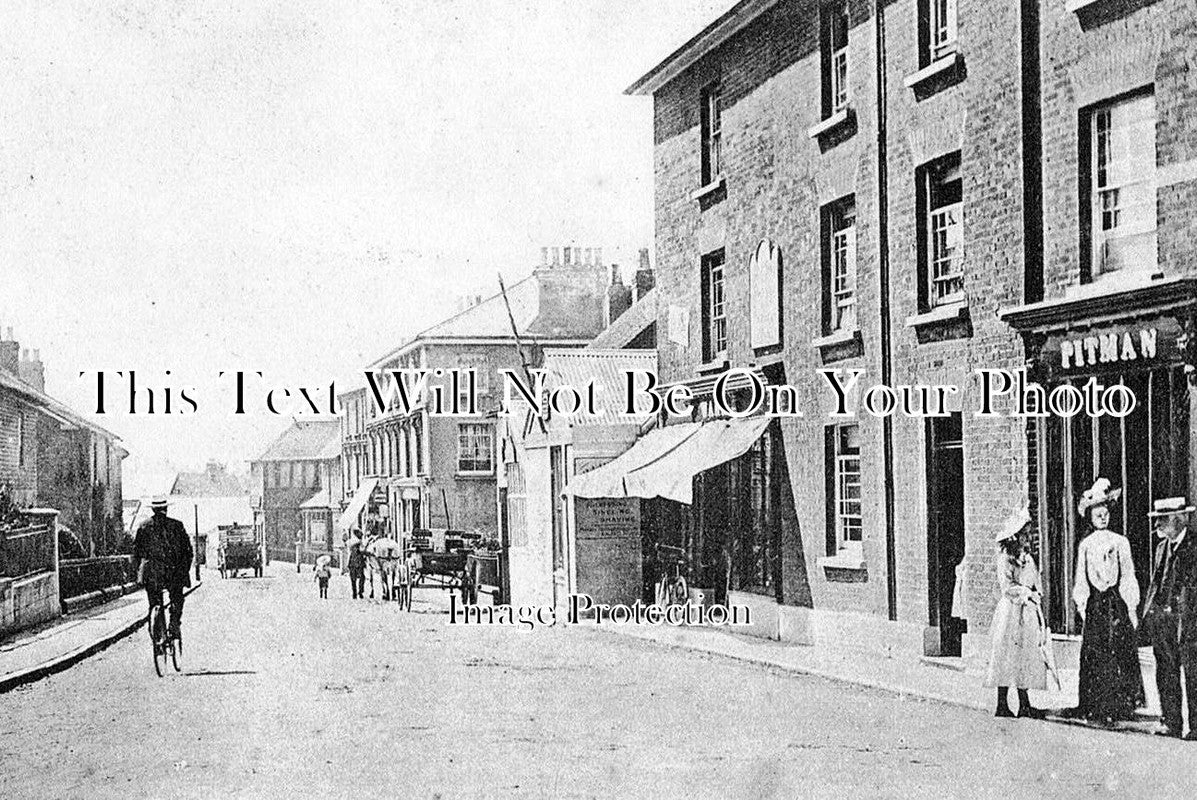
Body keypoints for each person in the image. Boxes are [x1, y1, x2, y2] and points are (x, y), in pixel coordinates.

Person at [1071, 478, 1143, 724]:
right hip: (1096, 604)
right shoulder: (1086, 545)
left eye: (1105, 512)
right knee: (1096, 652)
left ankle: (1120, 703)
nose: (1102, 516)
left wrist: (1131, 605)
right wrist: (1082, 604)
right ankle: (1095, 705)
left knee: (1118, 650)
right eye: (1097, 513)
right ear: (1090, 516)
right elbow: (1081, 577)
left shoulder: (1120, 542)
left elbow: (1128, 574)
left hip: (1115, 602)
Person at [984, 506, 1049, 718]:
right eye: (1024, 534)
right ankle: (1001, 703)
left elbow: (1035, 580)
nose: (1027, 538)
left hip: (1026, 612)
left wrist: (1036, 594)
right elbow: (1007, 587)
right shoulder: (1005, 558)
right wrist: (1025, 593)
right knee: (1005, 654)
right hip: (1011, 612)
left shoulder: (1028, 558)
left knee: (1025, 654)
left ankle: (1024, 703)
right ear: (1014, 536)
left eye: (1028, 534)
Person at [1143, 496, 1197, 739]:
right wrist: (1149, 613)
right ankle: (1171, 722)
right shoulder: (1161, 547)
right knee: (1165, 670)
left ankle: (1196, 726)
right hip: (1163, 622)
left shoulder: (1194, 547)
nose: (1157, 526)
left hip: (1189, 621)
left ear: (1179, 519)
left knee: (1194, 672)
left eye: (1162, 520)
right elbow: (1156, 583)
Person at [132, 496, 193, 638]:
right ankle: (174, 624)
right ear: (166, 508)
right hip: (173, 572)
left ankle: (155, 631)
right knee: (177, 598)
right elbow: (188, 552)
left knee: (154, 602)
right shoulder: (177, 525)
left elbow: (136, 553)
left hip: (152, 573)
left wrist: (139, 573)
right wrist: (184, 571)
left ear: (153, 509)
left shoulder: (143, 526)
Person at [347, 533, 366, 600]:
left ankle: (355, 593)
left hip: (352, 564)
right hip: (358, 564)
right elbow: (363, 551)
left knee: (353, 580)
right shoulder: (359, 544)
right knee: (362, 578)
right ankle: (360, 592)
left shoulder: (351, 544)